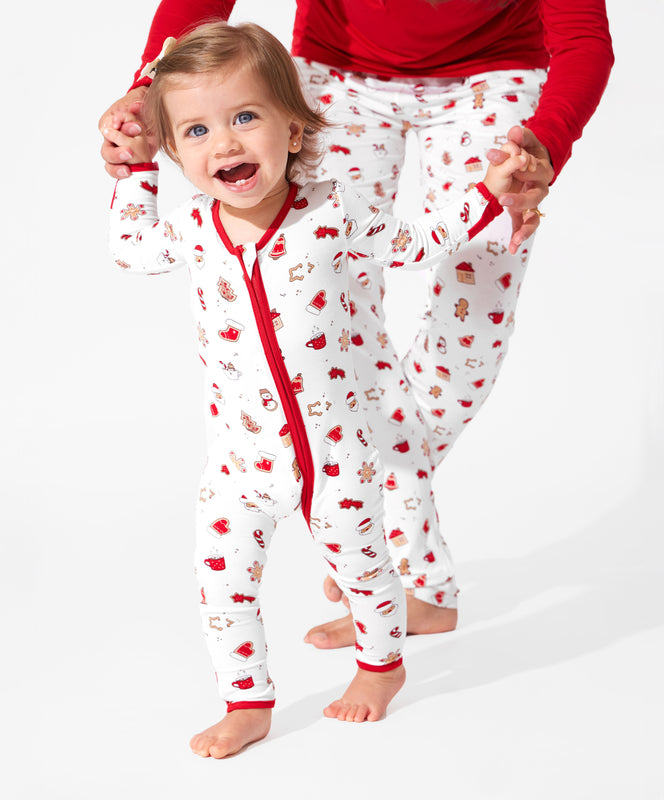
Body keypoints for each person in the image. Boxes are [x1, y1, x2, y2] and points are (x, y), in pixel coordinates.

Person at [100, 0, 613, 644]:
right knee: (331, 336)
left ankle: (364, 524)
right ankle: (410, 576)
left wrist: (546, 142)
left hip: (494, 73)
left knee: (469, 342)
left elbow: (583, 36)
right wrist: (148, 88)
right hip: (341, 72)